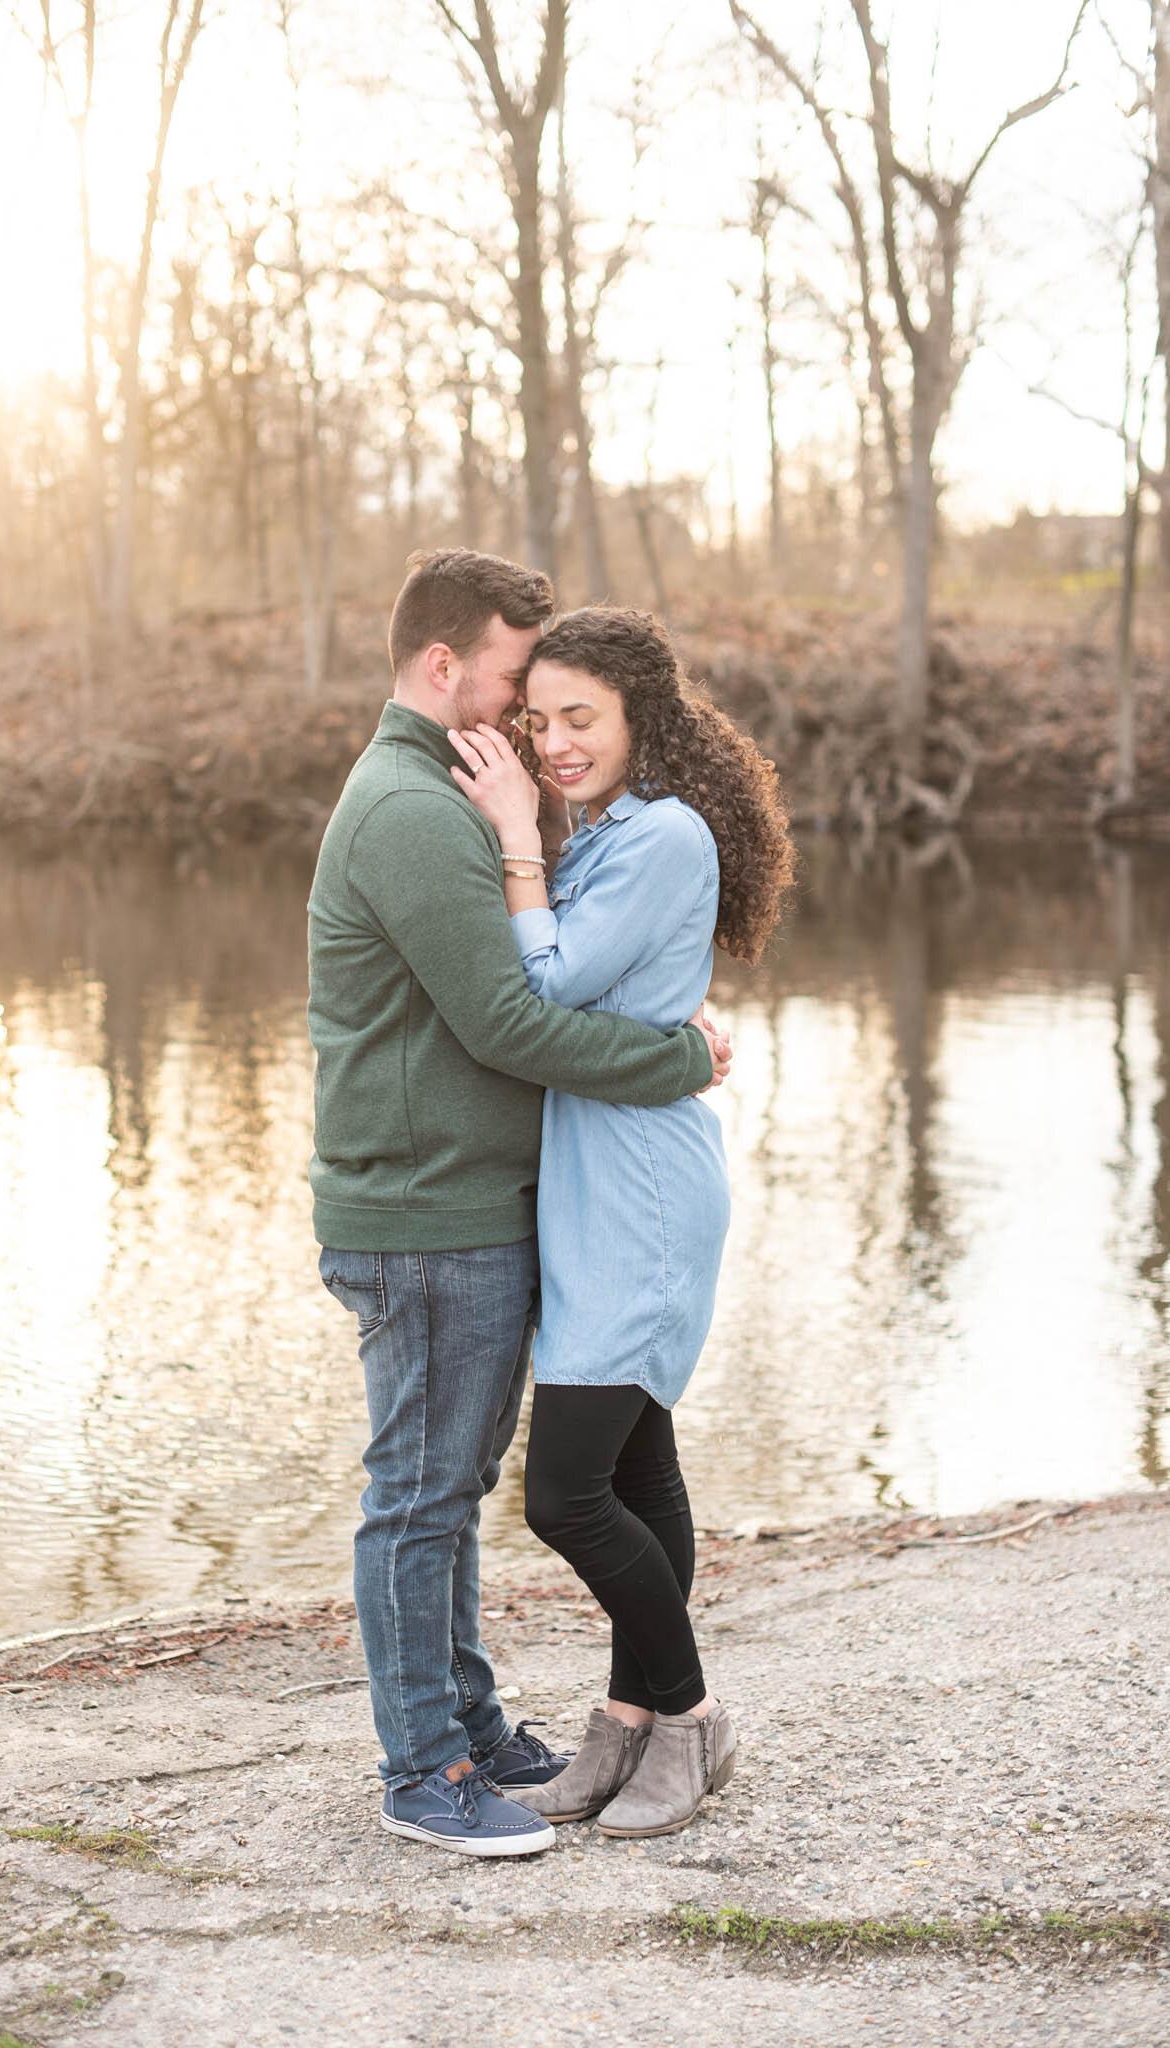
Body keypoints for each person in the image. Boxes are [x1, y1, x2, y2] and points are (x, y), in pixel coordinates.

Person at [307, 551, 732, 1859]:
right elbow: (508, 1017)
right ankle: (425, 1765)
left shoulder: (470, 797)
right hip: (427, 1212)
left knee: (471, 1482)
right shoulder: (415, 812)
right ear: (445, 668)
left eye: (562, 710)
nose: (525, 722)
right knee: (428, 1494)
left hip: (495, 1207)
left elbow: (566, 972)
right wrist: (674, 1060)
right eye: (510, 686)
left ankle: (484, 1725)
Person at [445, 605, 794, 1839]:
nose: (552, 743)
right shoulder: (614, 829)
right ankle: (625, 1725)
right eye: (536, 721)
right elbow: (596, 991)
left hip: (641, 1187)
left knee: (564, 1491)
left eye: (578, 717)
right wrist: (541, 834)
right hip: (601, 1177)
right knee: (640, 1470)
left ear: (642, 713)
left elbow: (545, 984)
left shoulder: (665, 835)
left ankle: (689, 1716)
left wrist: (510, 840)